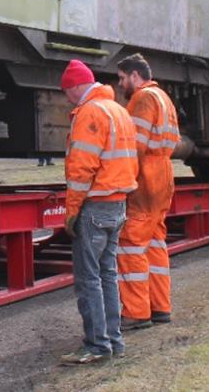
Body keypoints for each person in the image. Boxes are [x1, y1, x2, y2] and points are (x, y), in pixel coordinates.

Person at [58, 60, 138, 366]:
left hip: (95, 205)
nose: (67, 98)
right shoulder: (118, 110)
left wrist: (72, 211)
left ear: (76, 86)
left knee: (88, 279)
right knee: (107, 274)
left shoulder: (89, 113)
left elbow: (81, 169)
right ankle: (113, 341)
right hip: (118, 203)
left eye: (67, 92)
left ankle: (96, 344)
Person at [114, 53, 179, 330]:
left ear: (135, 75)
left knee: (130, 245)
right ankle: (160, 307)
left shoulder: (141, 98)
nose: (120, 84)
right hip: (163, 174)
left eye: (121, 78)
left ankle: (137, 313)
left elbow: (133, 147)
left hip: (145, 179)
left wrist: (123, 181)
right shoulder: (164, 98)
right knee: (154, 243)